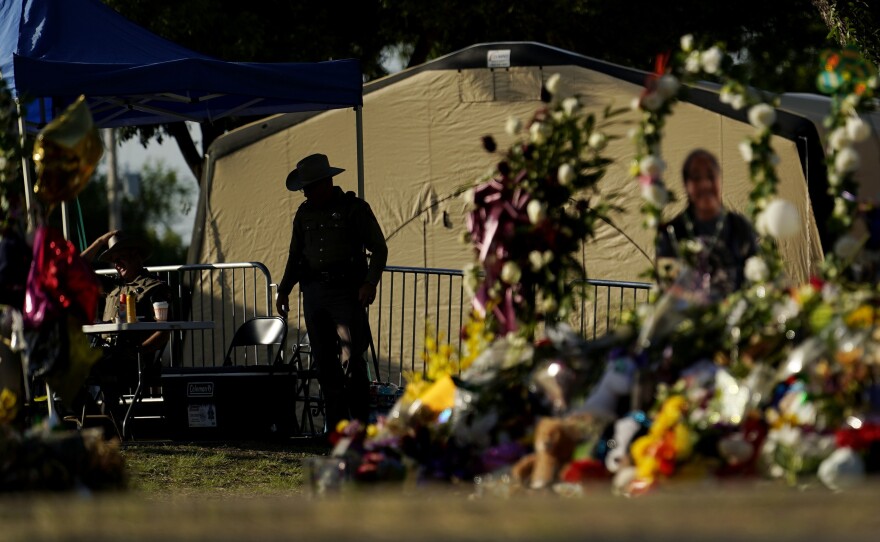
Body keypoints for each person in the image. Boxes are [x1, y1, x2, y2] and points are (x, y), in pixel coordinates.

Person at [275, 153, 388, 431]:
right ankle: (336, 430)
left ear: (326, 182)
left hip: (346, 292)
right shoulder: (304, 214)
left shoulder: (354, 209)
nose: (306, 193)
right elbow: (295, 256)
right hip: (314, 293)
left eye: (310, 187)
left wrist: (369, 283)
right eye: (305, 188)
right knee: (325, 364)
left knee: (352, 361)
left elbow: (379, 248)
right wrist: (284, 289)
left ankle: (360, 427)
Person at [79, 231, 171, 418]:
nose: (117, 264)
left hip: (133, 360)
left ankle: (106, 421)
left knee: (99, 368)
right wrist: (99, 241)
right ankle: (97, 420)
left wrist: (139, 351)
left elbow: (164, 331)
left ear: (136, 255)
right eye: (114, 260)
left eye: (121, 258)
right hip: (106, 353)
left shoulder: (155, 288)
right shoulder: (113, 287)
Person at [655, 149, 758, 299]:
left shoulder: (740, 226)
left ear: (719, 180)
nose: (705, 184)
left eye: (711, 176)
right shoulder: (671, 231)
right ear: (686, 185)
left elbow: (755, 278)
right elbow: (668, 287)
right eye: (696, 178)